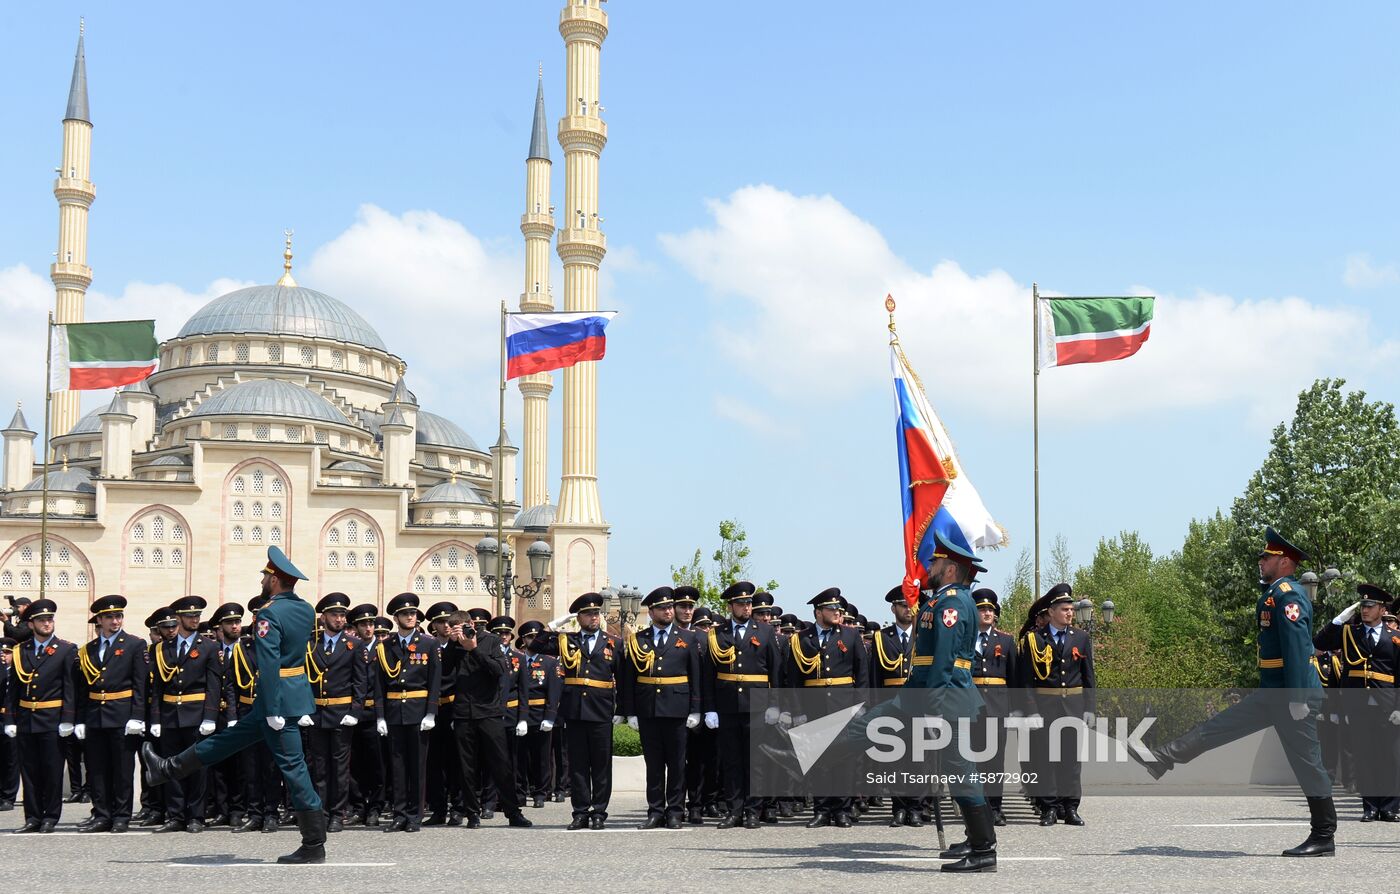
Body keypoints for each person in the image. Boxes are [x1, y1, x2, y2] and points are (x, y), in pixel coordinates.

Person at [1131, 526, 1337, 857]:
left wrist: (1298, 697)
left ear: (1284, 561)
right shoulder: (1276, 593)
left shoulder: (1290, 596)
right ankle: (1162, 758)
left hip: (1291, 696)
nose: (1261, 561)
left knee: (1307, 764)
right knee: (1219, 726)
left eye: (1267, 557)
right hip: (1273, 693)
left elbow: (1298, 649)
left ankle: (1324, 835)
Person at [143, 546, 328, 864]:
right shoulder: (307, 609)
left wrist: (272, 710)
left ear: (274, 580)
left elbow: (269, 663)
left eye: (265, 576)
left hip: (276, 704)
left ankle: (314, 843)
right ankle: (166, 769)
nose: (263, 580)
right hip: (292, 696)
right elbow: (301, 654)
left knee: (294, 768)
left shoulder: (269, 613)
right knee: (226, 742)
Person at [1311, 583, 1400, 822]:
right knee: (1364, 756)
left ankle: (1390, 807)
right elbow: (1319, 643)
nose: (1365, 610)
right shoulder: (1350, 633)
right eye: (1363, 606)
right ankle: (1370, 806)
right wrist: (1339, 620)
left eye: (1370, 606)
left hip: (1387, 705)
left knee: (1390, 756)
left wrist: (1399, 707)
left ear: (1382, 609)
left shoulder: (1395, 639)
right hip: (1358, 706)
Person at [618, 586, 703, 829]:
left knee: (677, 764)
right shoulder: (638, 640)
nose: (668, 611)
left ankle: (675, 811)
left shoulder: (688, 638)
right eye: (662, 608)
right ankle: (655, 811)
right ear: (651, 611)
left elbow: (696, 676)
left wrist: (696, 709)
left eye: (669, 607)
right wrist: (629, 711)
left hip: (677, 709)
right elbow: (629, 679)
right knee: (654, 765)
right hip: (648, 709)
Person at [784, 587, 869, 828]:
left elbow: (861, 674)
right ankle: (821, 809)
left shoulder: (851, 636)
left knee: (845, 761)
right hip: (814, 706)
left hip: (844, 706)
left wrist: (861, 706)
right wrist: (798, 710)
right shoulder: (801, 639)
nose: (836, 612)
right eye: (831, 609)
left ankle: (842, 809)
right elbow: (794, 679)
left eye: (838, 609)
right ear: (818, 612)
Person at [440, 610, 531, 828]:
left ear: (471, 624)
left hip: (488, 711)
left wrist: (474, 649)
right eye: (455, 630)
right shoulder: (454, 645)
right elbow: (444, 671)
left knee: (501, 764)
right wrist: (453, 644)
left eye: (463, 628)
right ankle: (471, 813)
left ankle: (513, 812)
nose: (462, 633)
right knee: (466, 767)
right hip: (463, 713)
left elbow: (500, 670)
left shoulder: (489, 640)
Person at [1019, 583, 1094, 826]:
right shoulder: (1035, 640)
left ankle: (1070, 807)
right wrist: (1030, 711)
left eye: (1071, 609)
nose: (1070, 613)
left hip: (1072, 705)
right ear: (1051, 612)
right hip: (1045, 706)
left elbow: (1088, 677)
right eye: (1064, 609)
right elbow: (1027, 680)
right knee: (1044, 759)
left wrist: (1090, 709)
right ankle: (1049, 808)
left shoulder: (1081, 638)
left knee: (1071, 760)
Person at [149, 595, 225, 833]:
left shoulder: (209, 647)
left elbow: (214, 685)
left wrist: (210, 717)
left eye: (197, 616)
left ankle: (196, 816)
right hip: (170, 713)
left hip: (196, 712)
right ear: (178, 618)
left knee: (197, 767)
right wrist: (156, 718)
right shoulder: (161, 649)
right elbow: (157, 687)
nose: (195, 620)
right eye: (190, 616)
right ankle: (175, 816)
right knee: (170, 765)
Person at [73, 595, 148, 834]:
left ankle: (121, 816)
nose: (115, 621)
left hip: (122, 715)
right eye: (110, 617)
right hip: (96, 716)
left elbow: (140, 684)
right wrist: (80, 720)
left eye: (118, 616)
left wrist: (137, 715)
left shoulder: (134, 644)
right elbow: (83, 689)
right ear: (100, 620)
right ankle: (102, 814)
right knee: (97, 769)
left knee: (122, 770)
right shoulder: (89, 650)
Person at [709, 580, 780, 829]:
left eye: (749, 603)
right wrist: (710, 707)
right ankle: (734, 811)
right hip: (728, 705)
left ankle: (752, 811)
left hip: (757, 704)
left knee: (756, 762)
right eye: (741, 604)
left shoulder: (765, 631)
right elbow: (710, 674)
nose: (747, 608)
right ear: (731, 606)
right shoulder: (717, 633)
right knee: (731, 762)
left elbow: (775, 671)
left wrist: (775, 704)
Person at [4, 599, 78, 833]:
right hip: (27, 719)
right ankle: (33, 816)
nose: (47, 623)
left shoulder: (66, 649)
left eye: (50, 619)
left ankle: (50, 816)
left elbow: (70, 687)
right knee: (30, 771)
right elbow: (13, 689)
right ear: (30, 624)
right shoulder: (20, 650)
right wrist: (10, 719)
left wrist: (68, 718)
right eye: (42, 620)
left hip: (52, 718)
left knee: (52, 770)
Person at [373, 592, 441, 832]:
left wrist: (431, 713)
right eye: (405, 614)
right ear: (396, 617)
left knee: (417, 766)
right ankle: (399, 814)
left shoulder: (428, 643)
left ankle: (415, 815)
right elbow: (379, 683)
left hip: (418, 710)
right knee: (397, 765)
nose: (411, 617)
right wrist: (380, 716)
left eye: (413, 613)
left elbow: (434, 680)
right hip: (393, 712)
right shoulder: (385, 646)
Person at [304, 592, 369, 833]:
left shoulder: (355, 645)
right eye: (335, 615)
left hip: (342, 713)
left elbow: (360, 681)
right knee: (319, 767)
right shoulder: (311, 644)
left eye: (342, 615)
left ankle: (337, 814)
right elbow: (304, 680)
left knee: (340, 768)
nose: (340, 619)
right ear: (324, 617)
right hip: (317, 712)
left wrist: (355, 710)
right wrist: (304, 709)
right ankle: (320, 812)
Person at [558, 592, 622, 829]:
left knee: (601, 765)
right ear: (579, 617)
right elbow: (537, 643)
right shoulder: (568, 641)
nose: (594, 617)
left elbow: (622, 679)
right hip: (575, 711)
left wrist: (622, 709)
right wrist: (556, 625)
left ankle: (599, 812)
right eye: (588, 614)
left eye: (596, 613)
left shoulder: (614, 643)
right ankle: (580, 811)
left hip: (601, 711)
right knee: (578, 765)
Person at [228, 595, 284, 833]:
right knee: (250, 766)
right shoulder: (243, 647)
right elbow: (231, 684)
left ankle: (271, 813)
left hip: (272, 712)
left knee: (271, 766)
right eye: (257, 615)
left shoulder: (277, 645)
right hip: (248, 710)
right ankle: (255, 813)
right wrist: (233, 715)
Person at [872, 585, 920, 827]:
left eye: (911, 604)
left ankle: (916, 807)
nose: (908, 609)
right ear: (893, 608)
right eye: (903, 605)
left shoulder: (924, 635)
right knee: (895, 759)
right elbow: (874, 677)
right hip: (891, 704)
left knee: (918, 758)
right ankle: (899, 808)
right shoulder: (882, 637)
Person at [969, 588, 1017, 826]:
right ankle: (975, 809)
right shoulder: (963, 640)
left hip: (997, 709)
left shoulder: (1006, 641)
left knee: (995, 761)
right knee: (972, 761)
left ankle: (995, 808)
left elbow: (1014, 678)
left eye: (990, 609)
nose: (987, 613)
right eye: (982, 609)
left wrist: (1016, 710)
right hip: (969, 709)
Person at [422, 601, 465, 826]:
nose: (446, 626)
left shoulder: (459, 647)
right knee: (434, 762)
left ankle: (458, 808)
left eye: (449, 622)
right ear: (433, 625)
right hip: (431, 709)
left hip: (453, 708)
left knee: (456, 761)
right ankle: (438, 809)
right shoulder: (427, 646)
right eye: (440, 622)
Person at [516, 620, 562, 808]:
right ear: (523, 639)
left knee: (542, 757)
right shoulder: (516, 660)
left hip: (541, 713)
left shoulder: (549, 662)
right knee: (520, 756)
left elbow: (553, 691)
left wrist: (550, 716)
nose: (533, 640)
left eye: (536, 637)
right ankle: (519, 792)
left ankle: (541, 792)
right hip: (520, 714)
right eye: (529, 637)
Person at [346, 602, 385, 826]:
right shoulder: (352, 649)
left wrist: (382, 715)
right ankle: (358, 806)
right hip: (354, 713)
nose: (369, 628)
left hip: (374, 713)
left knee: (377, 764)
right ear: (356, 628)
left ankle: (376, 807)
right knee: (355, 763)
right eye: (364, 625)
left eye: (371, 623)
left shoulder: (383, 649)